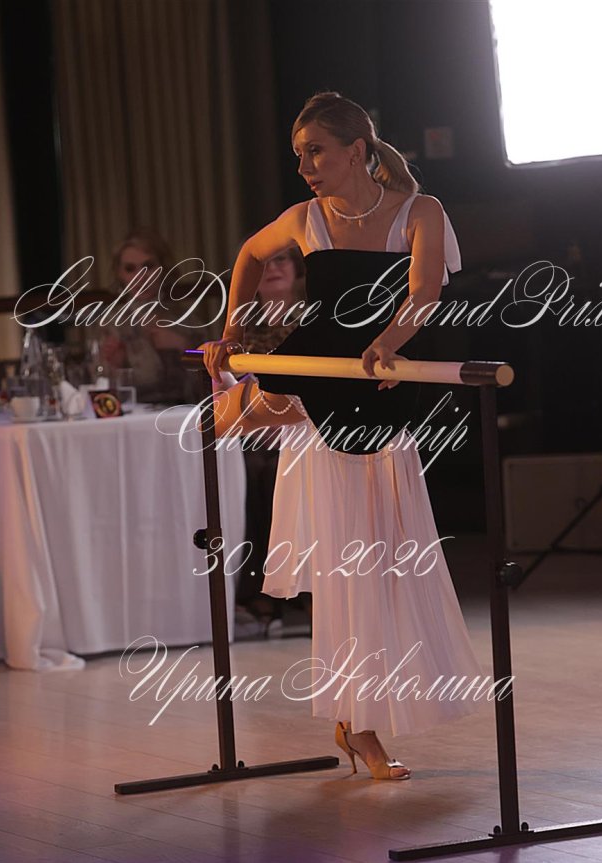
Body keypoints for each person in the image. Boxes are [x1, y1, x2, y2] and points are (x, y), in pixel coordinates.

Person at [201, 91, 480, 780]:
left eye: (316, 152)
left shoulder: (420, 211)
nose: (305, 167)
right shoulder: (307, 219)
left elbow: (424, 291)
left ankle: (357, 723)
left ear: (357, 150)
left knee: (384, 564)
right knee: (347, 570)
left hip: (380, 390)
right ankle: (360, 728)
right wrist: (232, 327)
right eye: (298, 155)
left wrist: (387, 342)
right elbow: (248, 254)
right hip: (321, 380)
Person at [233, 247, 313, 633]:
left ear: (296, 269)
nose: (272, 269)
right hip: (252, 429)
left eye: (281, 260)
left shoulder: (312, 320)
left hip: (304, 424)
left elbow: (316, 381)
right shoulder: (241, 328)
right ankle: (258, 590)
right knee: (246, 472)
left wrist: (281, 420)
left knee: (279, 471)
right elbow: (231, 384)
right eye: (263, 264)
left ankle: (305, 588)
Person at [101, 228, 200, 404]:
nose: (141, 276)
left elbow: (213, 380)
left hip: (184, 412)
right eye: (130, 268)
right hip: (135, 414)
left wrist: (184, 346)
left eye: (148, 266)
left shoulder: (186, 317)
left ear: (163, 268)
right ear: (120, 274)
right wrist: (115, 366)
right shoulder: (110, 323)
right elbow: (100, 391)